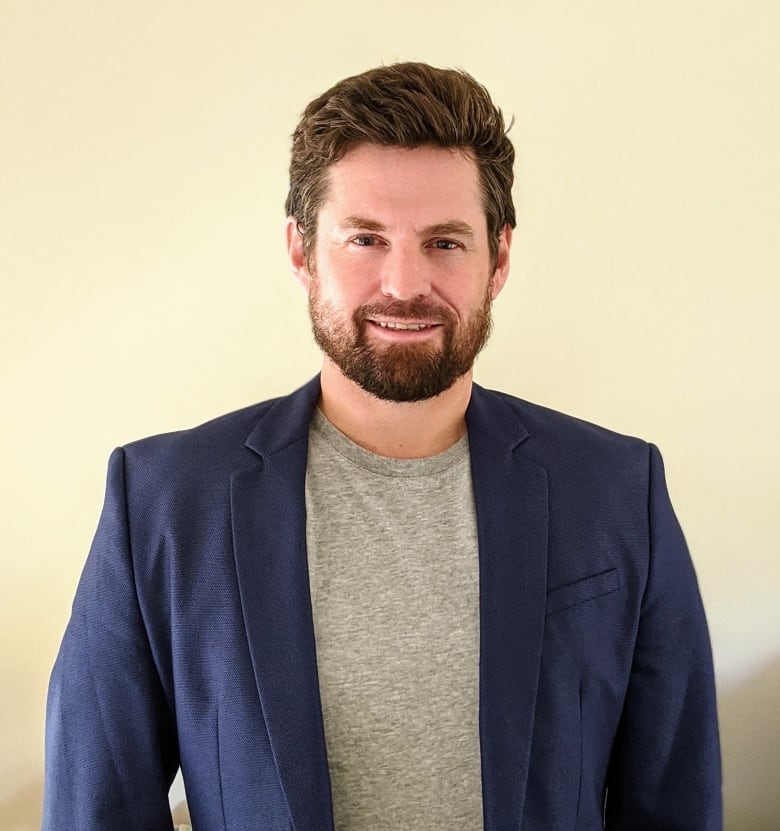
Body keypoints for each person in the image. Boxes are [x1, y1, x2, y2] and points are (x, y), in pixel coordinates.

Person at [43, 62, 722, 830]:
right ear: (301, 251)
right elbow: (93, 809)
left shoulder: (617, 488)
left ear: (498, 259)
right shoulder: (162, 501)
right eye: (365, 238)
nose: (404, 283)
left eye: (445, 242)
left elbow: (675, 800)